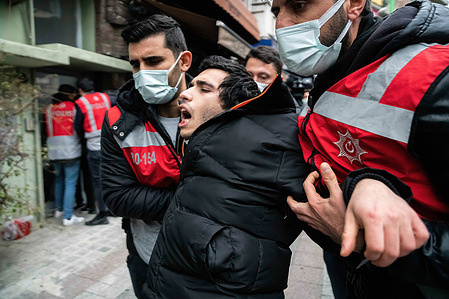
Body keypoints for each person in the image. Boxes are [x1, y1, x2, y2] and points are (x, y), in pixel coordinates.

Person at [272, 0, 449, 297]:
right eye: (276, 11)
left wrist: (361, 237)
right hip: (360, 275)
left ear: (353, 5)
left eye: (299, 5)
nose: (280, 25)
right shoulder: (336, 72)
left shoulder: (434, 74)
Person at [142, 55, 322, 298]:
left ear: (233, 106)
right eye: (192, 84)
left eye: (204, 88)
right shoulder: (199, 143)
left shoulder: (279, 141)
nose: (185, 92)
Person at [100, 14, 192, 299]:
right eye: (135, 64)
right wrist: (196, 200)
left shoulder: (218, 113)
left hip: (208, 260)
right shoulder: (117, 121)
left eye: (153, 62)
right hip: (146, 256)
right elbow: (117, 197)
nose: (141, 72)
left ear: (184, 62)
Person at [45, 84, 85, 226]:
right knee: (70, 182)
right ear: (69, 95)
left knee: (59, 180)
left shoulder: (49, 108)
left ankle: (59, 210)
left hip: (54, 150)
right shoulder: (74, 107)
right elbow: (80, 128)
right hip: (70, 149)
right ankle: (68, 217)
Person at [76, 77, 112, 226]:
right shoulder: (105, 97)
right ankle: (111, 208)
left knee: (98, 181)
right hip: (110, 144)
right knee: (110, 178)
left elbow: (77, 126)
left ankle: (102, 214)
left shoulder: (81, 102)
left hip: (94, 147)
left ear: (80, 90)